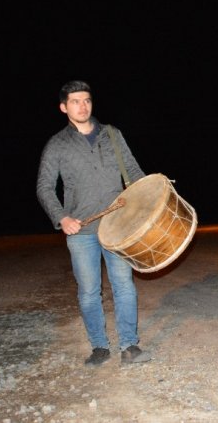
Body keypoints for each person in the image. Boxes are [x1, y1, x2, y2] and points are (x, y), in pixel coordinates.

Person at [36, 80, 151, 366]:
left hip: (117, 225)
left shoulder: (112, 135)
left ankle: (129, 345)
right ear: (64, 107)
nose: (82, 106)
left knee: (123, 284)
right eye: (75, 102)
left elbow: (134, 172)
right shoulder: (57, 144)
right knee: (89, 291)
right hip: (81, 231)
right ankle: (99, 346)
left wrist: (149, 199)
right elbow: (44, 187)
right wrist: (61, 217)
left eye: (86, 100)